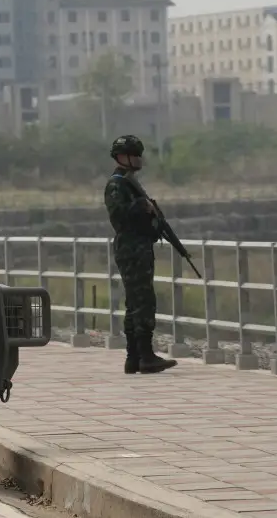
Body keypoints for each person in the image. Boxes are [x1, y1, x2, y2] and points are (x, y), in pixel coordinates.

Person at [104, 134, 177, 375]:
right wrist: (143, 207)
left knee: (135, 302)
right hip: (131, 249)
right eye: (134, 155)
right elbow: (119, 217)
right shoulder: (117, 184)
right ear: (122, 157)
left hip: (139, 247)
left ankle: (134, 357)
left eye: (138, 154)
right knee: (143, 301)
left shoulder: (129, 182)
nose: (138, 159)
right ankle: (144, 356)